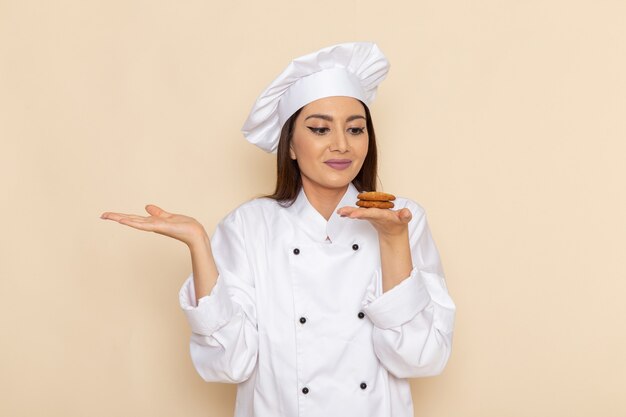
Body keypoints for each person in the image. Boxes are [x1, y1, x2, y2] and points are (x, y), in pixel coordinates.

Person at [101, 42, 456, 417]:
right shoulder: (248, 226)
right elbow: (229, 364)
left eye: (356, 129)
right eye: (320, 128)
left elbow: (422, 359)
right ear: (289, 145)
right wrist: (199, 244)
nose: (341, 144)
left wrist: (392, 240)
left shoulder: (403, 218)